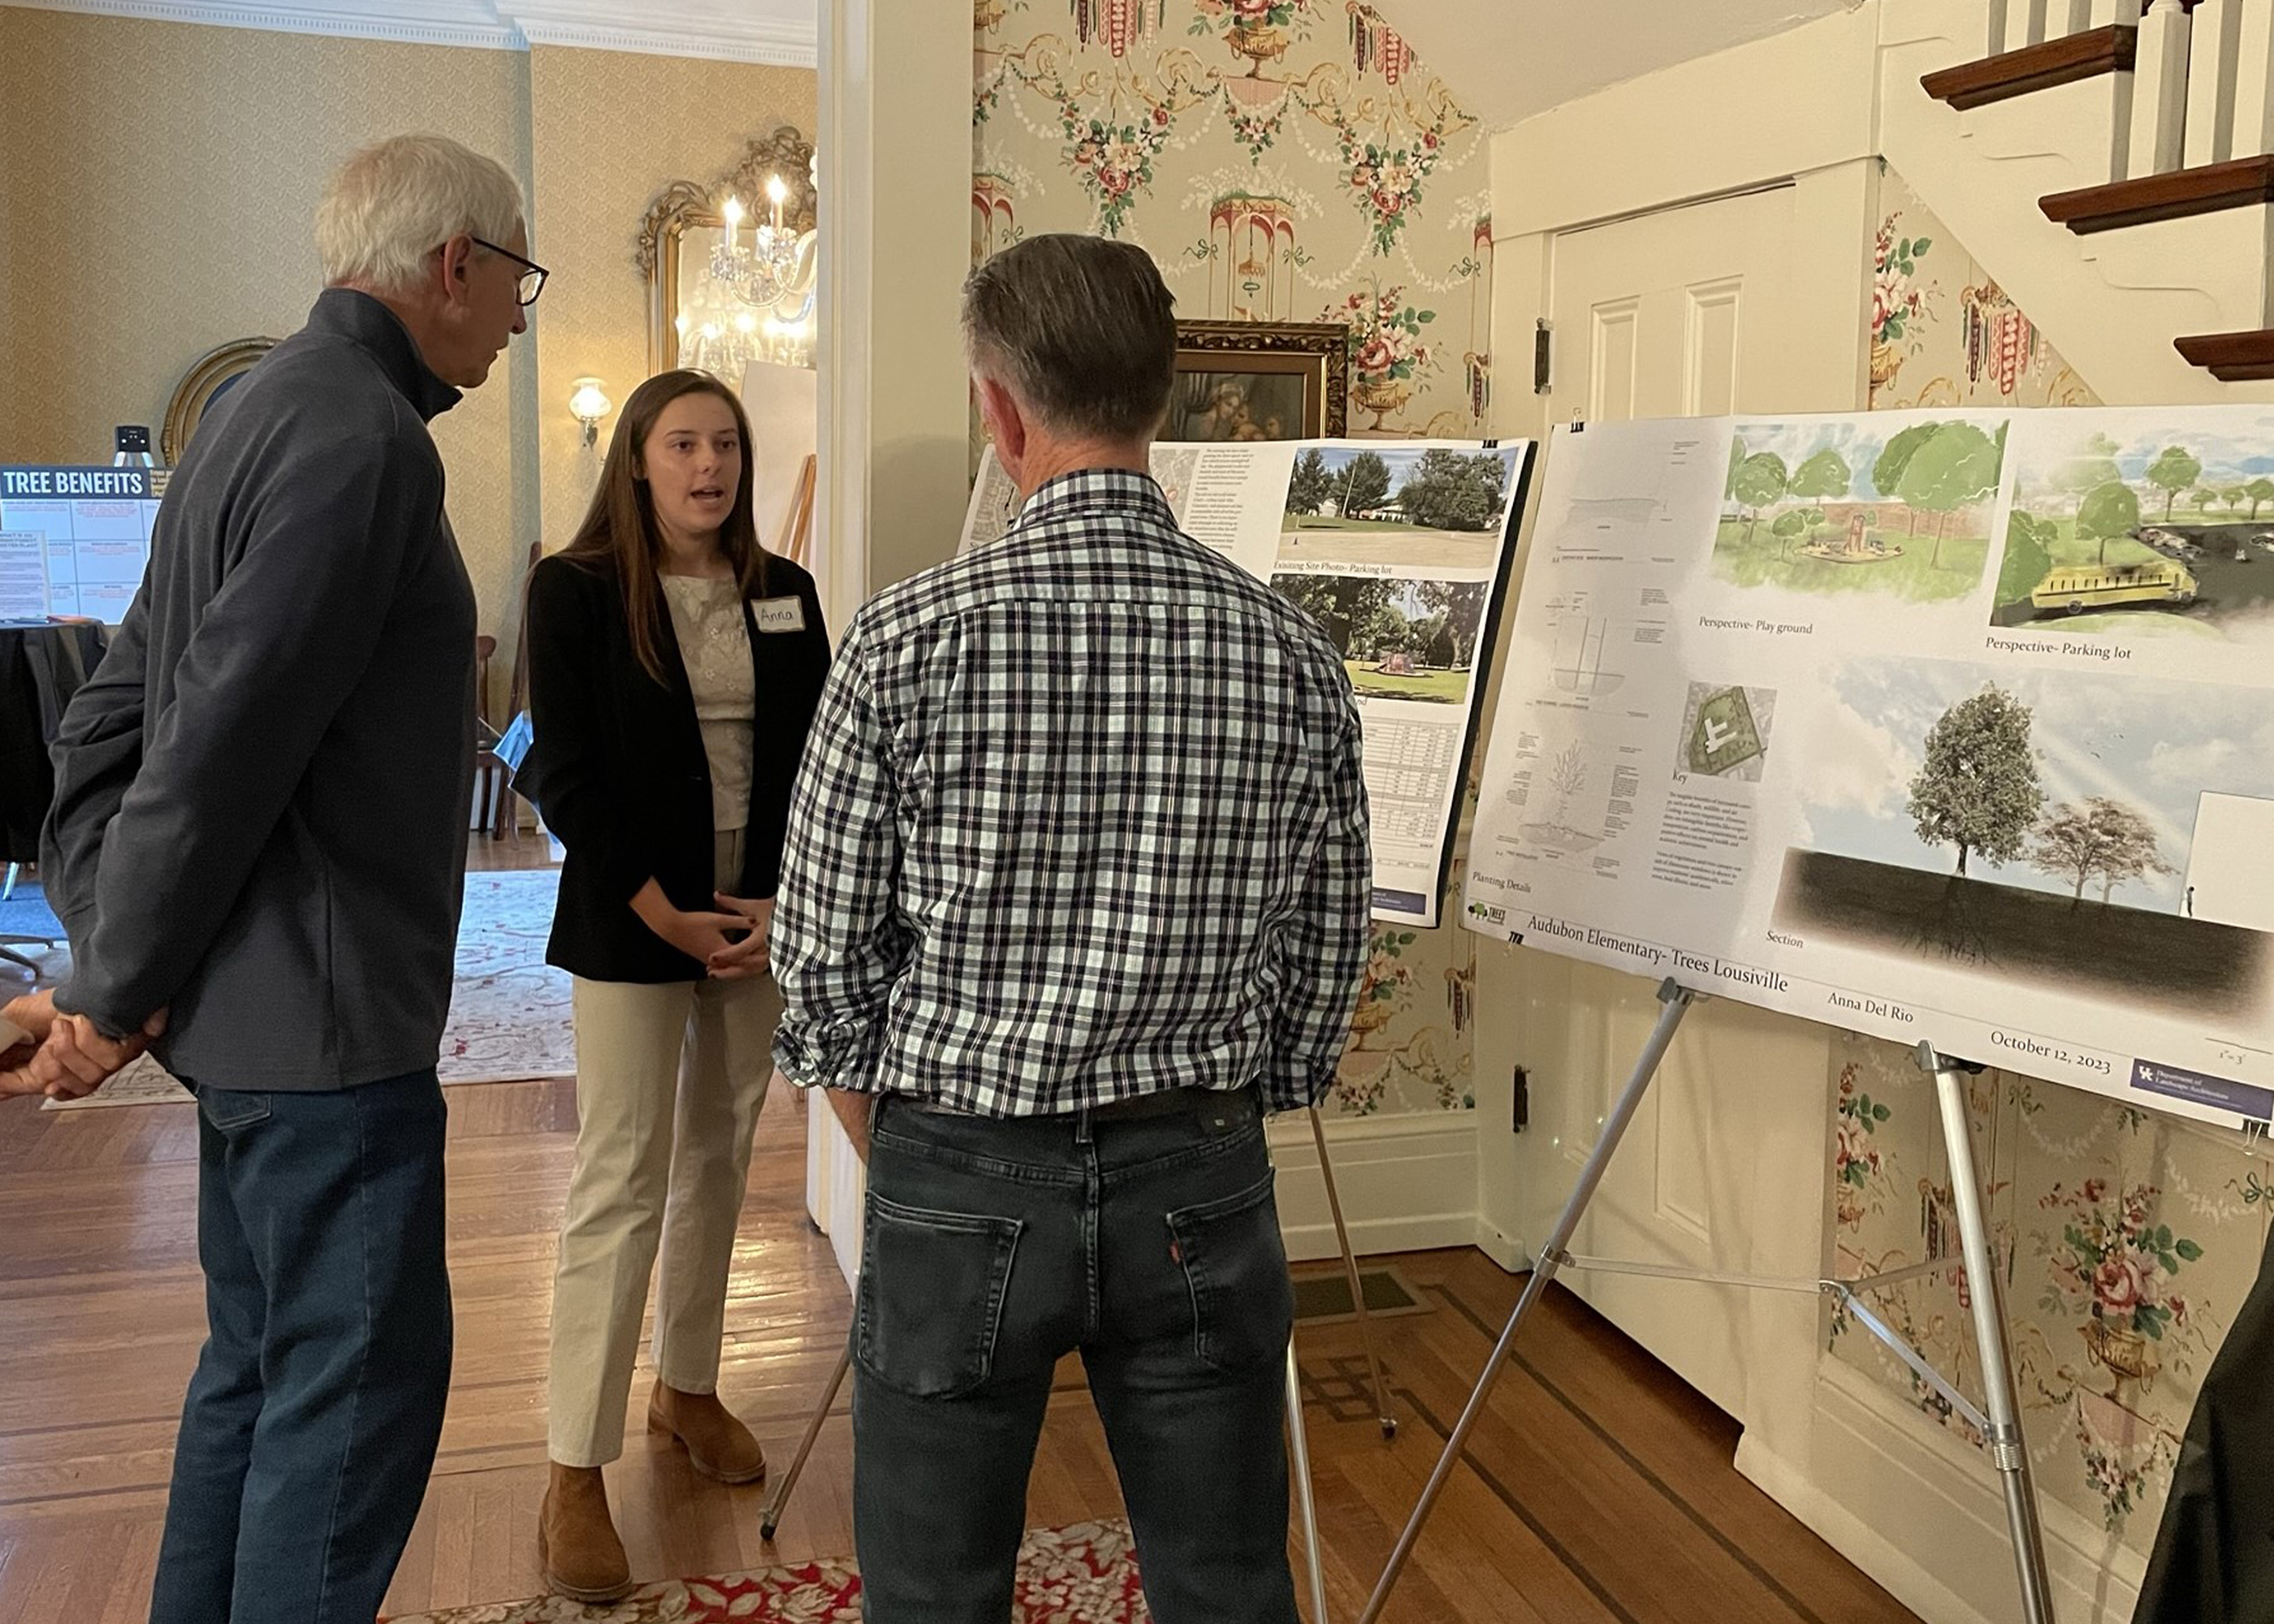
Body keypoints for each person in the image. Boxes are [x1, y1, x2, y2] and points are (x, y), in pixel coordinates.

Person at [769, 232, 1373, 1624]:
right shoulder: (1290, 651)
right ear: (1163, 399)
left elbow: (822, 957)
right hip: (1200, 1172)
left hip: (959, 1163)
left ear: (1000, 409)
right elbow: (1322, 960)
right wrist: (1230, 1101)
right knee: (1226, 1580)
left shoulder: (903, 638)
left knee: (932, 1588)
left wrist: (912, 1142)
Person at [34, 132, 538, 1624]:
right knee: (350, 1406)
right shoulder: (369, 440)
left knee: (259, 1382)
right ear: (455, 264)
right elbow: (220, 746)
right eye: (516, 279)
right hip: (325, 1042)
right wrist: (109, 990)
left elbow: (109, 723)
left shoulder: (254, 416)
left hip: (252, 1036)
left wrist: (109, 958)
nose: (518, 314)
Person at [520, 369, 830, 1603]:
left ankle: (687, 1383)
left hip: (754, 925)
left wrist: (775, 906)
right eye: (685, 445)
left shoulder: (786, 594)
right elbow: (565, 771)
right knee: (621, 1177)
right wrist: (661, 910)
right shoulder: (578, 589)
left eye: (727, 447)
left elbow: (815, 763)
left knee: (721, 1159)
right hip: (631, 920)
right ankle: (574, 1464)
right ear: (638, 461)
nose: (710, 467)